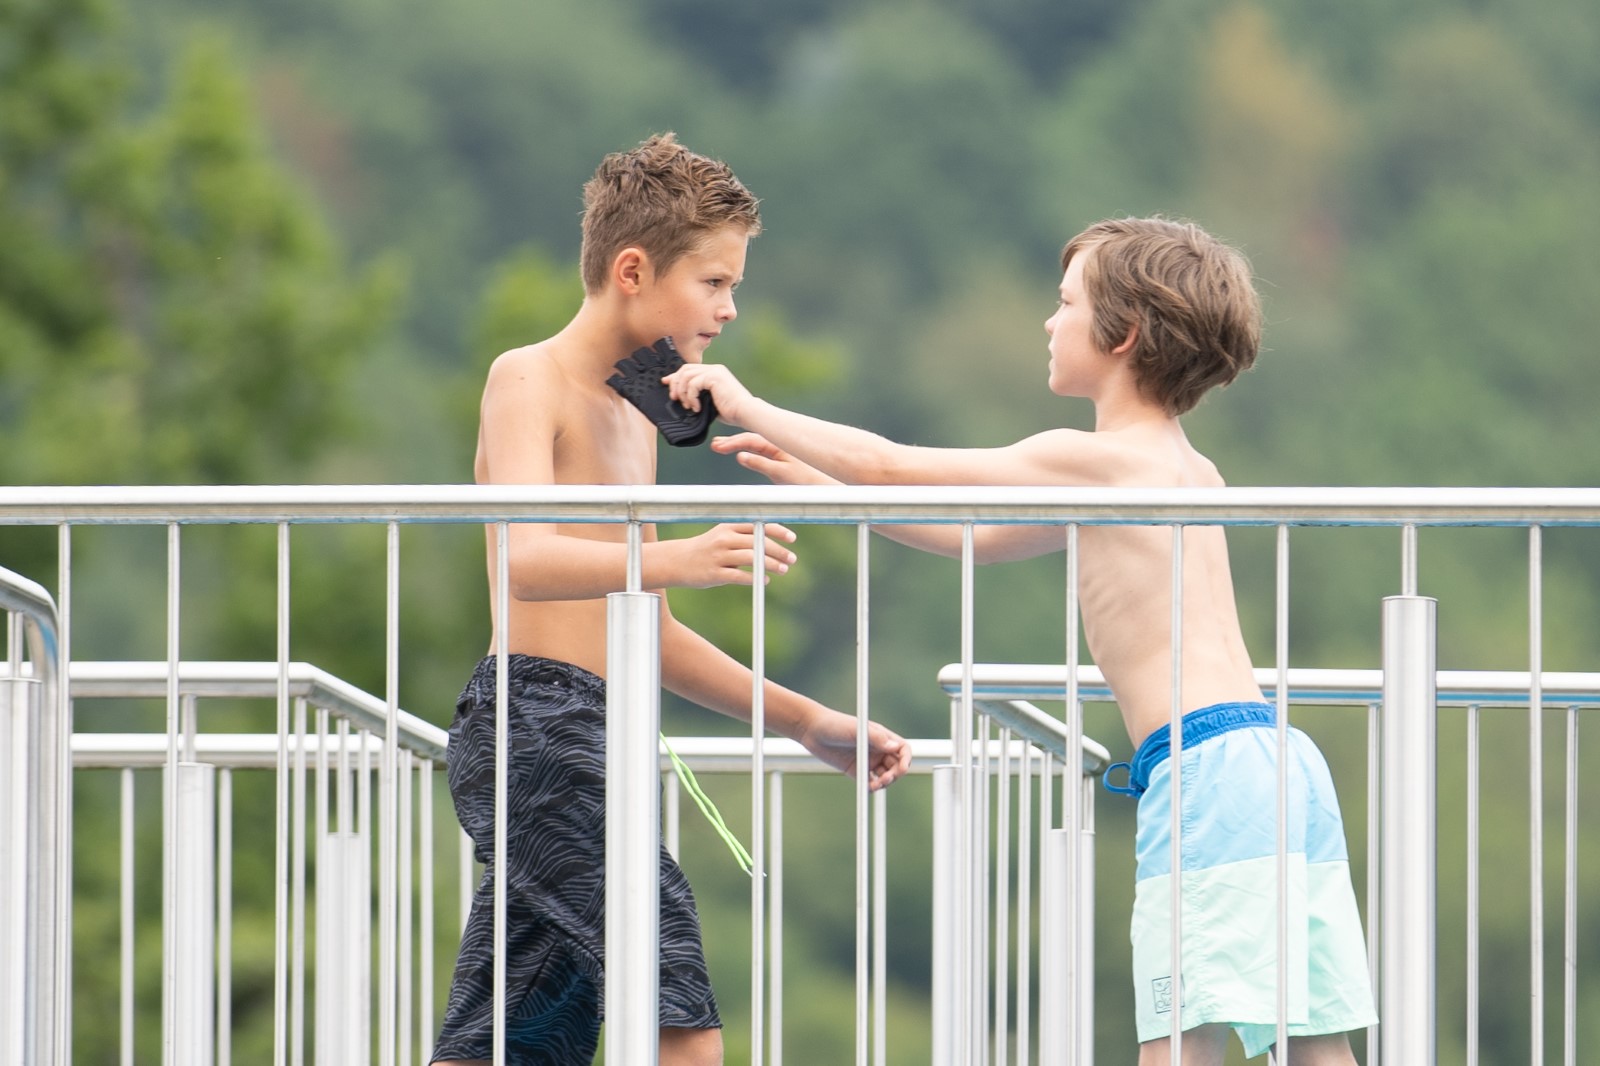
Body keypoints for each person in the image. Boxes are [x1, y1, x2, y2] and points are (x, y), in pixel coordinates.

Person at [664, 217, 1378, 1064]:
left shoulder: (1100, 459)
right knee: (1309, 1036)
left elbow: (895, 465)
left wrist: (750, 405)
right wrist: (825, 487)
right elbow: (975, 538)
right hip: (1276, 761)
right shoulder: (1183, 468)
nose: (1049, 320)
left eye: (1065, 301)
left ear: (1126, 334)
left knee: (1179, 1037)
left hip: (1205, 771)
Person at [431, 133, 913, 1066]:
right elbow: (526, 559)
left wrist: (807, 720)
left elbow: (643, 630)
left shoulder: (636, 413)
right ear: (631, 269)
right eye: (715, 283)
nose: (730, 311)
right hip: (533, 722)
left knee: (514, 1031)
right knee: (677, 1009)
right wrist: (676, 559)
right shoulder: (526, 376)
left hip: (598, 727)